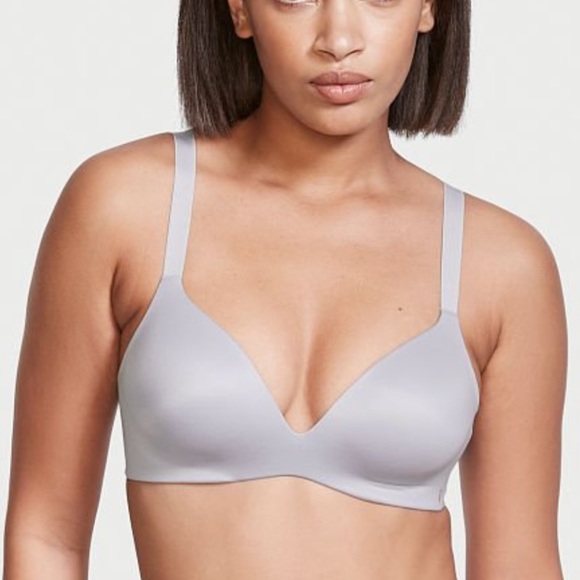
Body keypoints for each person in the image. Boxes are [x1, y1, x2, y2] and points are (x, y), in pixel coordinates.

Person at [3, 0, 568, 578]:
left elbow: (520, 564)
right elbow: (45, 537)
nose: (339, 40)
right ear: (239, 10)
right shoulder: (124, 208)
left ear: (429, 7)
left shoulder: (503, 265)